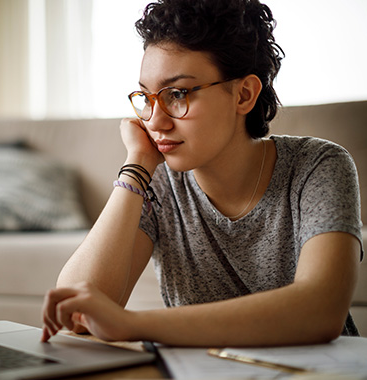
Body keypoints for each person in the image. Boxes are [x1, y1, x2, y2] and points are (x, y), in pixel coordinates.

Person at [41, 0, 363, 347]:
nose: (155, 120)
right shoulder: (158, 182)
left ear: (244, 94)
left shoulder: (318, 166)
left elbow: (320, 310)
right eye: (148, 97)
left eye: (177, 94)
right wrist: (136, 165)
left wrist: (133, 324)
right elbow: (74, 312)